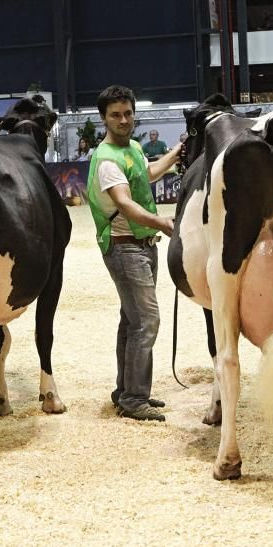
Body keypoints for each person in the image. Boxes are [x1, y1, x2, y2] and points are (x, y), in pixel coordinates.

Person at [88, 85, 181, 421]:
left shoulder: (134, 148)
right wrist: (163, 222)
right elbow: (125, 204)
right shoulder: (107, 158)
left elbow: (148, 173)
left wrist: (176, 153)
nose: (124, 119)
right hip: (125, 247)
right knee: (146, 321)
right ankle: (134, 399)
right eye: (115, 115)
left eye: (127, 113)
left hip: (141, 245)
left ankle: (125, 390)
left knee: (131, 321)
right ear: (103, 119)